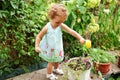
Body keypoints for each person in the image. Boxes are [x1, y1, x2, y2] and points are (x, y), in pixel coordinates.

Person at [35, 3, 85, 80]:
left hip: (57, 48)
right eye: (57, 22)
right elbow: (38, 37)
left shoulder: (60, 25)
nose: (59, 24)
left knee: (57, 59)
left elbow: (71, 31)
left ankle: (56, 69)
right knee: (51, 62)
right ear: (51, 17)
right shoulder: (47, 28)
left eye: (61, 22)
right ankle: (49, 74)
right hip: (49, 49)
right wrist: (37, 46)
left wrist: (80, 38)